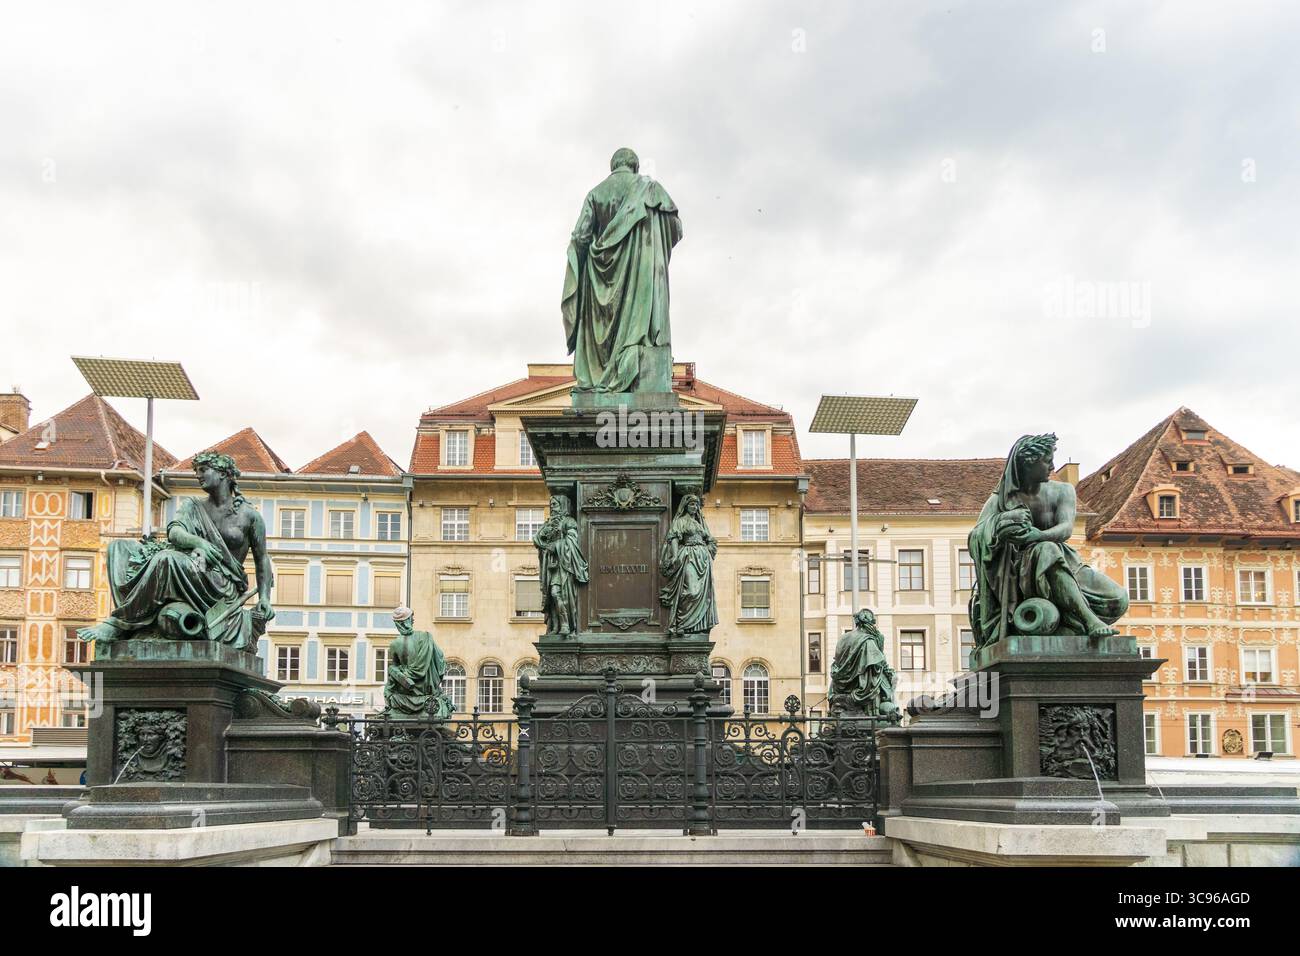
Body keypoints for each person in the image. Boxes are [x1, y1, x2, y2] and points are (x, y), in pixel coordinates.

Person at [77, 451, 274, 649]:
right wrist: (199, 542)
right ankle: (136, 621)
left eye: (204, 470)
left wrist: (265, 598)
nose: (198, 475)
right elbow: (175, 531)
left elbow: (262, 559)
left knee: (167, 559)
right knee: (118, 547)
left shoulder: (249, 516)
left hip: (221, 584)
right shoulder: (193, 506)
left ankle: (118, 624)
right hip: (193, 568)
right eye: (197, 471)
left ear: (223, 474)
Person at [968, 433, 1128, 648]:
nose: (1052, 466)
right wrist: (1000, 523)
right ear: (1028, 464)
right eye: (1046, 461)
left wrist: (1038, 535)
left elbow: (1065, 529)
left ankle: (1069, 625)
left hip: (1066, 561)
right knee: (1046, 550)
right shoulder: (1002, 499)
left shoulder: (1062, 490)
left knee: (1118, 600)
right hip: (1022, 572)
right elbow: (975, 537)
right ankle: (1089, 620)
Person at [562, 147, 683, 394]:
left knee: (600, 335)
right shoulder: (650, 189)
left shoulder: (595, 194)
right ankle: (634, 364)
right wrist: (648, 235)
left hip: (599, 282)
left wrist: (580, 267)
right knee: (638, 329)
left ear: (613, 167)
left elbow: (580, 238)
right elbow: (675, 228)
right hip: (641, 279)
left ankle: (599, 378)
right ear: (635, 166)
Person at [659, 494, 718, 639]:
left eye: (697, 505)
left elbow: (709, 539)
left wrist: (709, 547)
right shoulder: (680, 521)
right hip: (689, 556)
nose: (695, 507)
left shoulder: (700, 523)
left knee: (703, 595)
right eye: (692, 504)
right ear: (685, 506)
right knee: (691, 591)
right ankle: (681, 624)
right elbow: (673, 538)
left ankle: (694, 628)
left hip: (702, 559)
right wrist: (674, 556)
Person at [381, 607, 453, 719]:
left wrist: (400, 673)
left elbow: (395, 668)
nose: (413, 620)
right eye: (411, 618)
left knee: (390, 694)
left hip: (406, 692)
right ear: (407, 621)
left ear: (398, 624)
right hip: (426, 690)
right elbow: (440, 661)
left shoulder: (394, 644)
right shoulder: (425, 637)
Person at [533, 495, 589, 636]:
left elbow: (572, 542)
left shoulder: (569, 522)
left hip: (564, 567)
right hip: (550, 566)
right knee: (551, 597)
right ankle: (556, 626)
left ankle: (566, 624)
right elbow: (537, 539)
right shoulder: (549, 524)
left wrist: (556, 545)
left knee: (557, 594)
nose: (552, 507)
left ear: (563, 505)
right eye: (550, 505)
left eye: (555, 504)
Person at [828, 608, 899, 719]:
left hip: (841, 686)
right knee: (882, 683)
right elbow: (875, 664)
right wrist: (889, 674)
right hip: (863, 687)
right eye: (873, 623)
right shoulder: (868, 641)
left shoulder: (843, 638)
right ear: (869, 624)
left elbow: (837, 663)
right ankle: (872, 711)